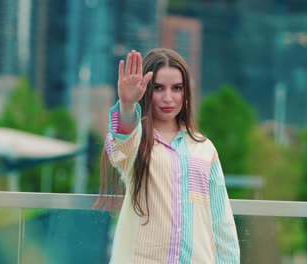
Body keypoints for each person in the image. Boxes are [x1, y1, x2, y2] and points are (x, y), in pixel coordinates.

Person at [96, 48, 240, 263]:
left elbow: (221, 222)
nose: (168, 98)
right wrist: (127, 105)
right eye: (158, 88)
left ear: (186, 92)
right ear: (145, 90)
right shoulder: (137, 142)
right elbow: (122, 144)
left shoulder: (204, 149)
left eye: (177, 88)